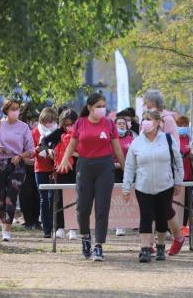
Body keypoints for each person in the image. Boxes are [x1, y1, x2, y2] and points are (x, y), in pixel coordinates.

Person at [59, 93, 125, 261]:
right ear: (90, 107)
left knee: (102, 208)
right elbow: (72, 145)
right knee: (82, 208)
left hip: (105, 167)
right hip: (85, 166)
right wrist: (65, 159)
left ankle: (98, 246)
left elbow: (117, 149)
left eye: (104, 106)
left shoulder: (109, 123)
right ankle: (86, 238)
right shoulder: (80, 123)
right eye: (98, 106)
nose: (102, 109)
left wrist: (126, 170)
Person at [122, 109, 184, 262]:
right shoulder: (137, 142)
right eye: (144, 119)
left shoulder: (168, 139)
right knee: (146, 216)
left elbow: (178, 162)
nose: (145, 122)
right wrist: (126, 187)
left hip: (165, 185)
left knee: (162, 217)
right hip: (143, 186)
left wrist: (178, 182)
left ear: (157, 122)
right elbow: (130, 166)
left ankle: (161, 246)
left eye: (149, 119)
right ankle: (145, 249)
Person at [143, 89, 185, 255]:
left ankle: (174, 238)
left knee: (163, 209)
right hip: (149, 171)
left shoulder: (167, 120)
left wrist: (177, 178)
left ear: (154, 104)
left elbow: (175, 148)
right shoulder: (147, 119)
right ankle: (159, 241)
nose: (146, 105)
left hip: (164, 172)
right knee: (157, 209)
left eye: (147, 102)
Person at [0, 99, 34, 241]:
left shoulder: (24, 127)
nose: (16, 111)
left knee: (11, 196)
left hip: (16, 164)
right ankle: (2, 224)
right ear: (6, 110)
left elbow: (31, 150)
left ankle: (7, 230)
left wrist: (20, 156)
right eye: (13, 108)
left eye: (17, 108)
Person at [44, 108, 79, 240]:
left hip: (76, 169)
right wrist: (49, 152)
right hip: (61, 170)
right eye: (66, 125)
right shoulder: (59, 132)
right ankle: (59, 227)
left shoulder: (80, 133)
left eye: (71, 124)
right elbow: (44, 142)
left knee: (75, 199)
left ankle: (73, 228)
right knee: (59, 199)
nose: (68, 127)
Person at [32, 107, 59, 236]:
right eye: (45, 121)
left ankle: (56, 226)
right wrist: (37, 150)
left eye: (50, 121)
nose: (48, 124)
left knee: (52, 198)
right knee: (43, 199)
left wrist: (52, 154)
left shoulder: (58, 132)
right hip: (40, 169)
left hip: (54, 168)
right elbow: (30, 152)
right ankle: (46, 229)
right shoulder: (35, 132)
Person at [114, 115, 135, 236]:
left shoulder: (131, 140)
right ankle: (118, 225)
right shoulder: (112, 140)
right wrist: (116, 164)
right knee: (116, 196)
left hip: (129, 171)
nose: (122, 125)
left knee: (128, 195)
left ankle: (130, 221)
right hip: (114, 171)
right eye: (119, 123)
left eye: (123, 123)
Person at [176, 116, 193, 236]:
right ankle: (171, 227)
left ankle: (184, 226)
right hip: (176, 176)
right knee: (174, 202)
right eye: (180, 125)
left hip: (189, 174)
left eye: (185, 124)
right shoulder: (173, 138)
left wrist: (192, 155)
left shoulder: (191, 139)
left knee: (187, 203)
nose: (183, 127)